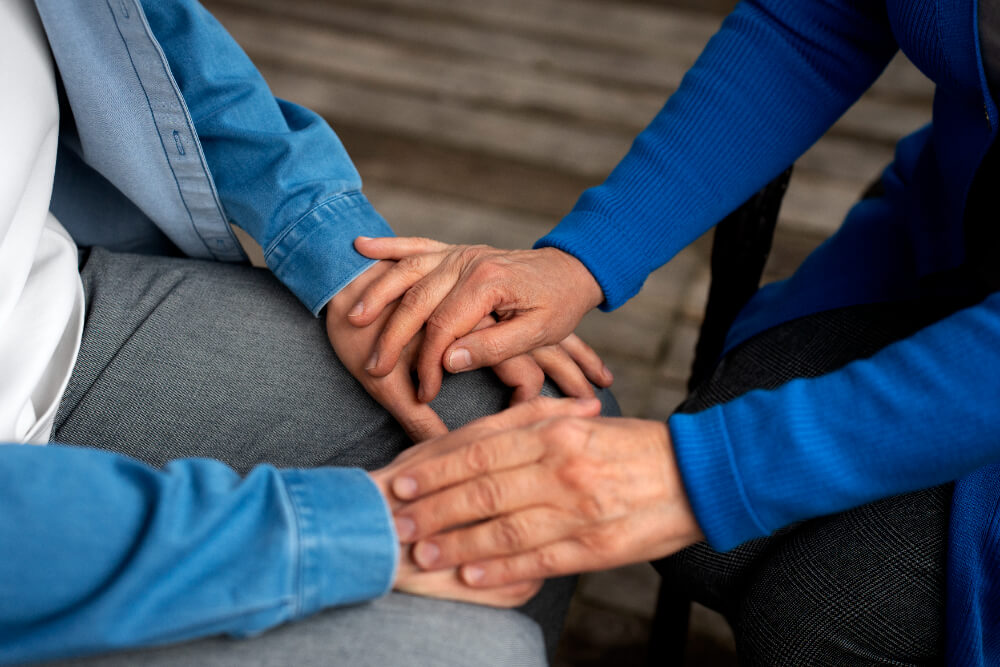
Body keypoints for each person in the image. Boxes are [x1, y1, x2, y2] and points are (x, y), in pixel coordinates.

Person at [349, 0, 1000, 664]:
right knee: (705, 547)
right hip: (949, 238)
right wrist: (583, 257)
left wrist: (702, 473)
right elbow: (817, 19)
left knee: (820, 612)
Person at [0, 0, 617, 664]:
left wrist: (344, 261)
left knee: (540, 411)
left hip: (51, 311)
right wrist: (330, 530)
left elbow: (135, 29)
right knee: (479, 650)